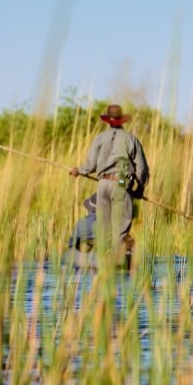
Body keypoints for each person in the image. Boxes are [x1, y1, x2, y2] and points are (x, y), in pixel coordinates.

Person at [70, 104, 149, 267]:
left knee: (104, 226)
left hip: (103, 184)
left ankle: (101, 260)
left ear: (108, 121)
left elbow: (90, 166)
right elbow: (141, 169)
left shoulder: (99, 138)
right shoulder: (131, 140)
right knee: (120, 225)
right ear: (121, 121)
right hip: (120, 184)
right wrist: (139, 189)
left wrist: (79, 170)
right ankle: (113, 261)